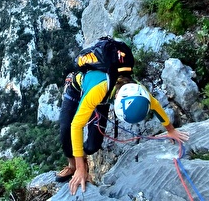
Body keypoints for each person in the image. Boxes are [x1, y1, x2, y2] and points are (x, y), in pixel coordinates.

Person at [56, 38, 190, 196]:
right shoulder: (98, 90)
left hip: (104, 97)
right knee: (66, 133)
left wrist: (171, 130)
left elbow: (156, 106)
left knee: (93, 146)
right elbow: (77, 125)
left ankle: (82, 158)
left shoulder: (139, 90)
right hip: (77, 87)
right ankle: (73, 165)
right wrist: (79, 169)